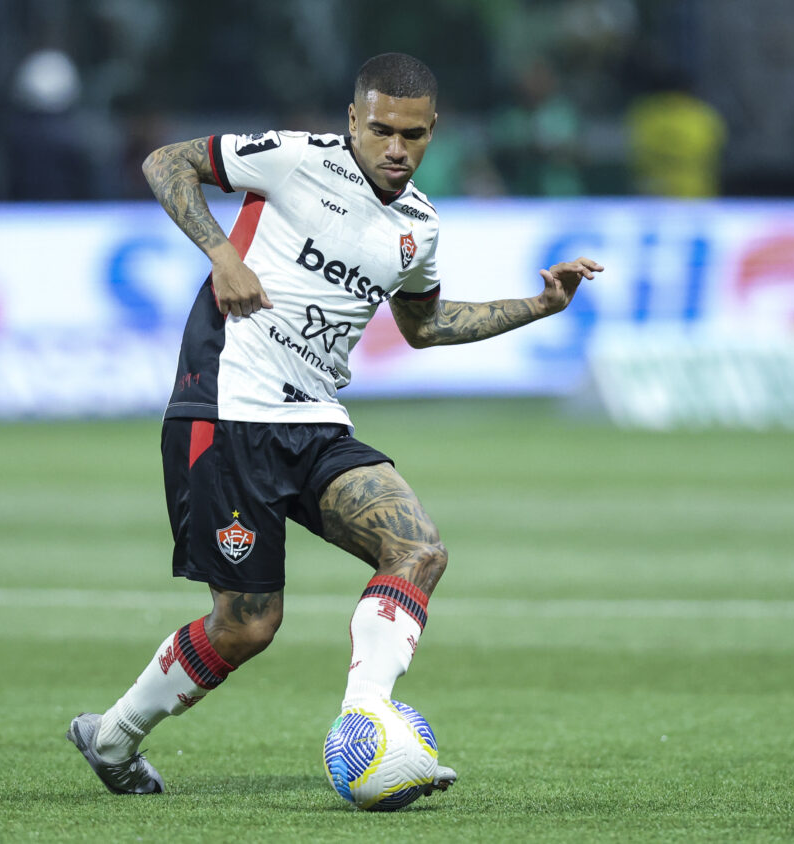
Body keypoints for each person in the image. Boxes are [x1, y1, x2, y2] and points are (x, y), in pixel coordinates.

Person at [66, 52, 603, 796]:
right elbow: (167, 162)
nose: (394, 148)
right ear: (353, 119)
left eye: (411, 136)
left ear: (432, 132)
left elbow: (426, 325)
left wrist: (539, 306)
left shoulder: (419, 227)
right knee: (248, 626)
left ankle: (367, 721)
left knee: (417, 549)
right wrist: (223, 254)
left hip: (315, 419)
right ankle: (113, 736)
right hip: (228, 410)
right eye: (379, 129)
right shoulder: (294, 159)